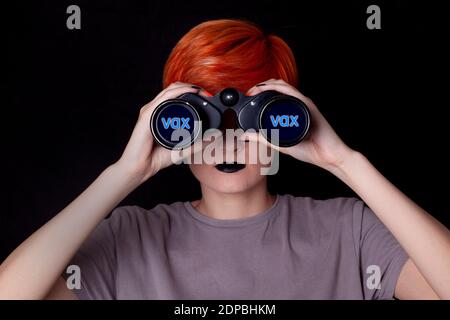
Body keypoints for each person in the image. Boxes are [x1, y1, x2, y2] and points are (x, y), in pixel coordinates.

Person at [0, 19, 449, 300]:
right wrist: (124, 173)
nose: (229, 141)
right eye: (206, 118)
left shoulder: (351, 233)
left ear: (286, 120)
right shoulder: (127, 240)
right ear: (173, 121)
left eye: (253, 120)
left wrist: (344, 161)